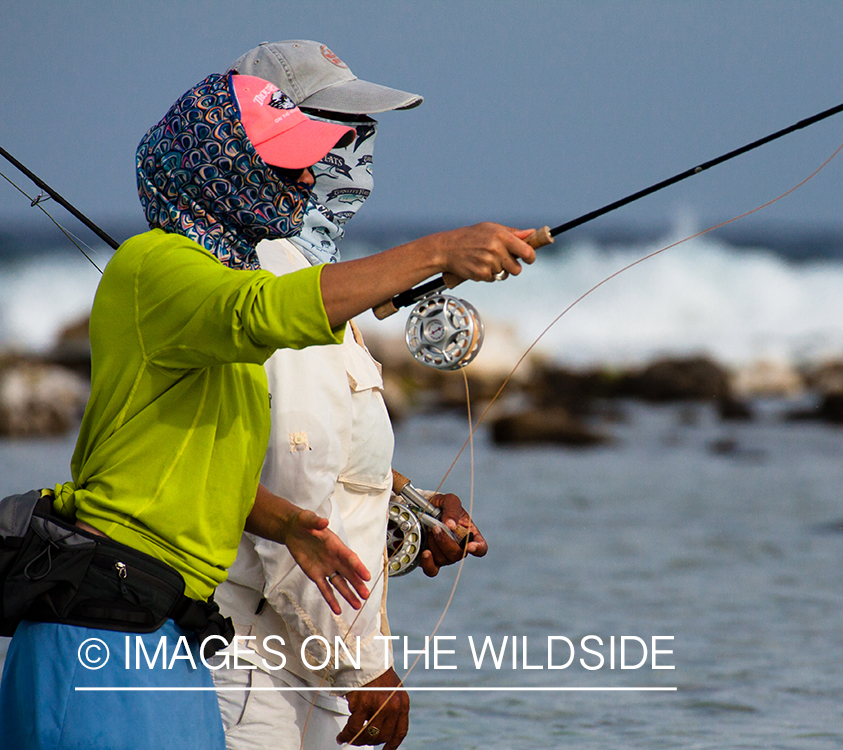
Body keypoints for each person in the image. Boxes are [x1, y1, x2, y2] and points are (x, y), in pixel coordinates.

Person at [0, 69, 535, 750]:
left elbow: (215, 460)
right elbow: (267, 312)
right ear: (225, 169)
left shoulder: (218, 287)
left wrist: (293, 524)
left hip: (168, 625)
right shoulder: (154, 265)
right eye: (288, 166)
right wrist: (438, 250)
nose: (311, 181)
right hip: (106, 620)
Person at [212, 41, 492, 750]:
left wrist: (411, 507)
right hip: (260, 660)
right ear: (268, 138)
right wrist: (365, 668)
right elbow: (292, 487)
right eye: (334, 129)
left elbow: (331, 458)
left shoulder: (312, 281)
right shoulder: (271, 276)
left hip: (312, 651)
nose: (356, 155)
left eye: (364, 134)